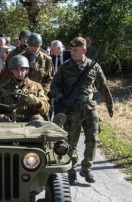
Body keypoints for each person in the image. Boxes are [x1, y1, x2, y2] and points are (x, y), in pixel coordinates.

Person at [50, 37, 114, 185]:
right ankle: (71, 170)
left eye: (75, 50)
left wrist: (110, 104)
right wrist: (61, 98)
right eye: (71, 50)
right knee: (71, 143)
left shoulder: (94, 66)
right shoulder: (65, 67)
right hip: (71, 111)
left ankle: (86, 168)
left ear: (84, 50)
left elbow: (102, 87)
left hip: (89, 109)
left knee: (92, 139)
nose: (72, 52)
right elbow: (54, 86)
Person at [0, 55, 49, 123]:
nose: (19, 72)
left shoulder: (36, 86)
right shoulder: (3, 88)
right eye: (16, 69)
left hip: (29, 120)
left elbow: (46, 108)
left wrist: (38, 102)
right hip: (8, 120)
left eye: (22, 69)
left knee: (38, 119)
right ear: (11, 70)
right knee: (1, 118)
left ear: (27, 70)